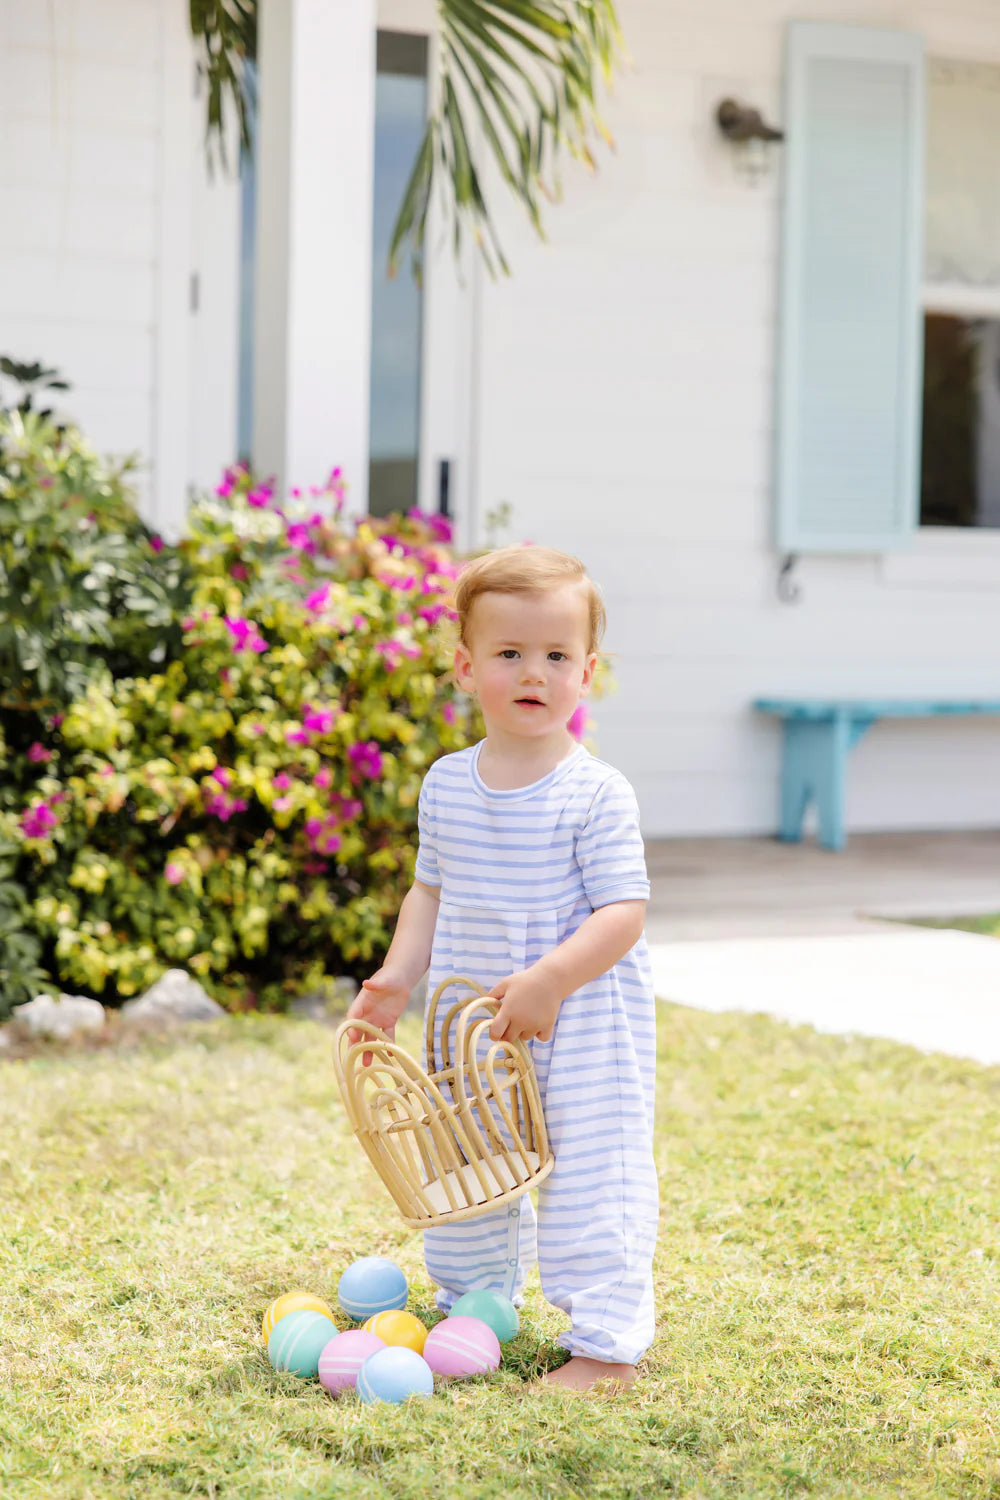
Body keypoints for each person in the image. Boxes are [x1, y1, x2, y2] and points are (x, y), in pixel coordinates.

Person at [345, 545, 658, 1392]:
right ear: (465, 666)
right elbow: (429, 894)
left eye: (557, 655)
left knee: (592, 1177)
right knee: (471, 1164)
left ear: (586, 672)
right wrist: (396, 979)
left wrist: (552, 979)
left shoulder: (596, 793)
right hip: (473, 1026)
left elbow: (622, 912)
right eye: (511, 653)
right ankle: (474, 1304)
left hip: (579, 1022)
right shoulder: (448, 785)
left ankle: (605, 1346)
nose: (535, 672)